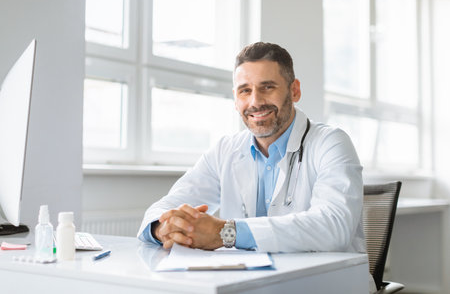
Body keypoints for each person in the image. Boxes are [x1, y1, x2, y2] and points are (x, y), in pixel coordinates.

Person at [137, 42, 366, 254]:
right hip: (250, 281)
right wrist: (163, 227)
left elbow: (333, 227)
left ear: (294, 91)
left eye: (267, 87)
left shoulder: (331, 143)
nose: (255, 101)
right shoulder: (225, 150)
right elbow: (165, 206)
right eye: (245, 90)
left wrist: (226, 233)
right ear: (235, 100)